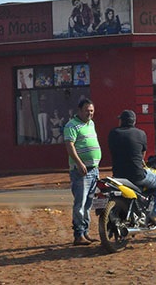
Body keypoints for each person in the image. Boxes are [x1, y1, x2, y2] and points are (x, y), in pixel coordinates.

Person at [107, 109, 156, 227]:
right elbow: (142, 155)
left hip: (118, 175)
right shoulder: (141, 134)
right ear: (134, 121)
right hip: (136, 175)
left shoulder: (113, 133)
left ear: (122, 121)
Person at [64, 97, 101, 245]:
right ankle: (78, 234)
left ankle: (85, 232)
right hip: (81, 171)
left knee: (88, 205)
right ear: (79, 110)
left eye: (91, 110)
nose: (89, 113)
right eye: (87, 110)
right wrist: (79, 163)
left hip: (94, 170)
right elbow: (69, 146)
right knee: (80, 204)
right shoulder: (71, 125)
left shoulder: (91, 124)